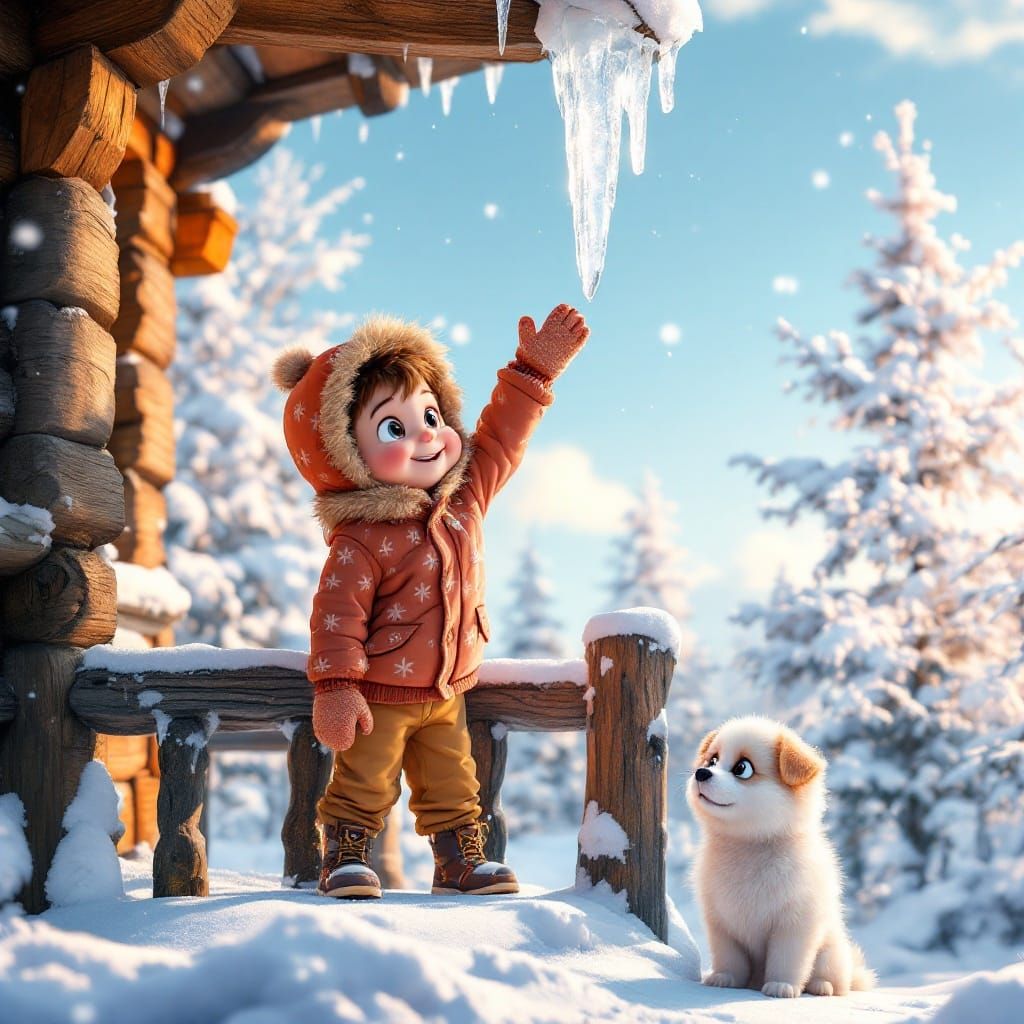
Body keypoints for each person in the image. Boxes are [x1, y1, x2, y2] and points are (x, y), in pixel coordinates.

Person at [272, 305, 589, 899]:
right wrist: (337, 685)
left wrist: (532, 373)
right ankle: (345, 851)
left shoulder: (465, 497)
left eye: (431, 415)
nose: (424, 435)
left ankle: (458, 859)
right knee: (364, 781)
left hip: (448, 690)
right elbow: (337, 616)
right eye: (393, 428)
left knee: (453, 782)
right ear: (344, 453)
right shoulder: (362, 537)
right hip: (380, 692)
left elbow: (501, 438)